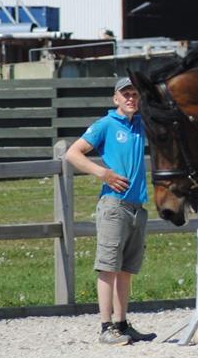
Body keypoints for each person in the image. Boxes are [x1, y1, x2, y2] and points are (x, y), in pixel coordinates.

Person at [65, 76, 157, 344]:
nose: (131, 98)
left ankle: (122, 323)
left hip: (137, 206)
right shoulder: (106, 125)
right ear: (115, 98)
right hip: (114, 205)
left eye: (135, 95)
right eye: (125, 94)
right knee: (108, 267)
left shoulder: (141, 124)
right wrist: (103, 173)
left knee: (126, 269)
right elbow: (73, 153)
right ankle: (106, 327)